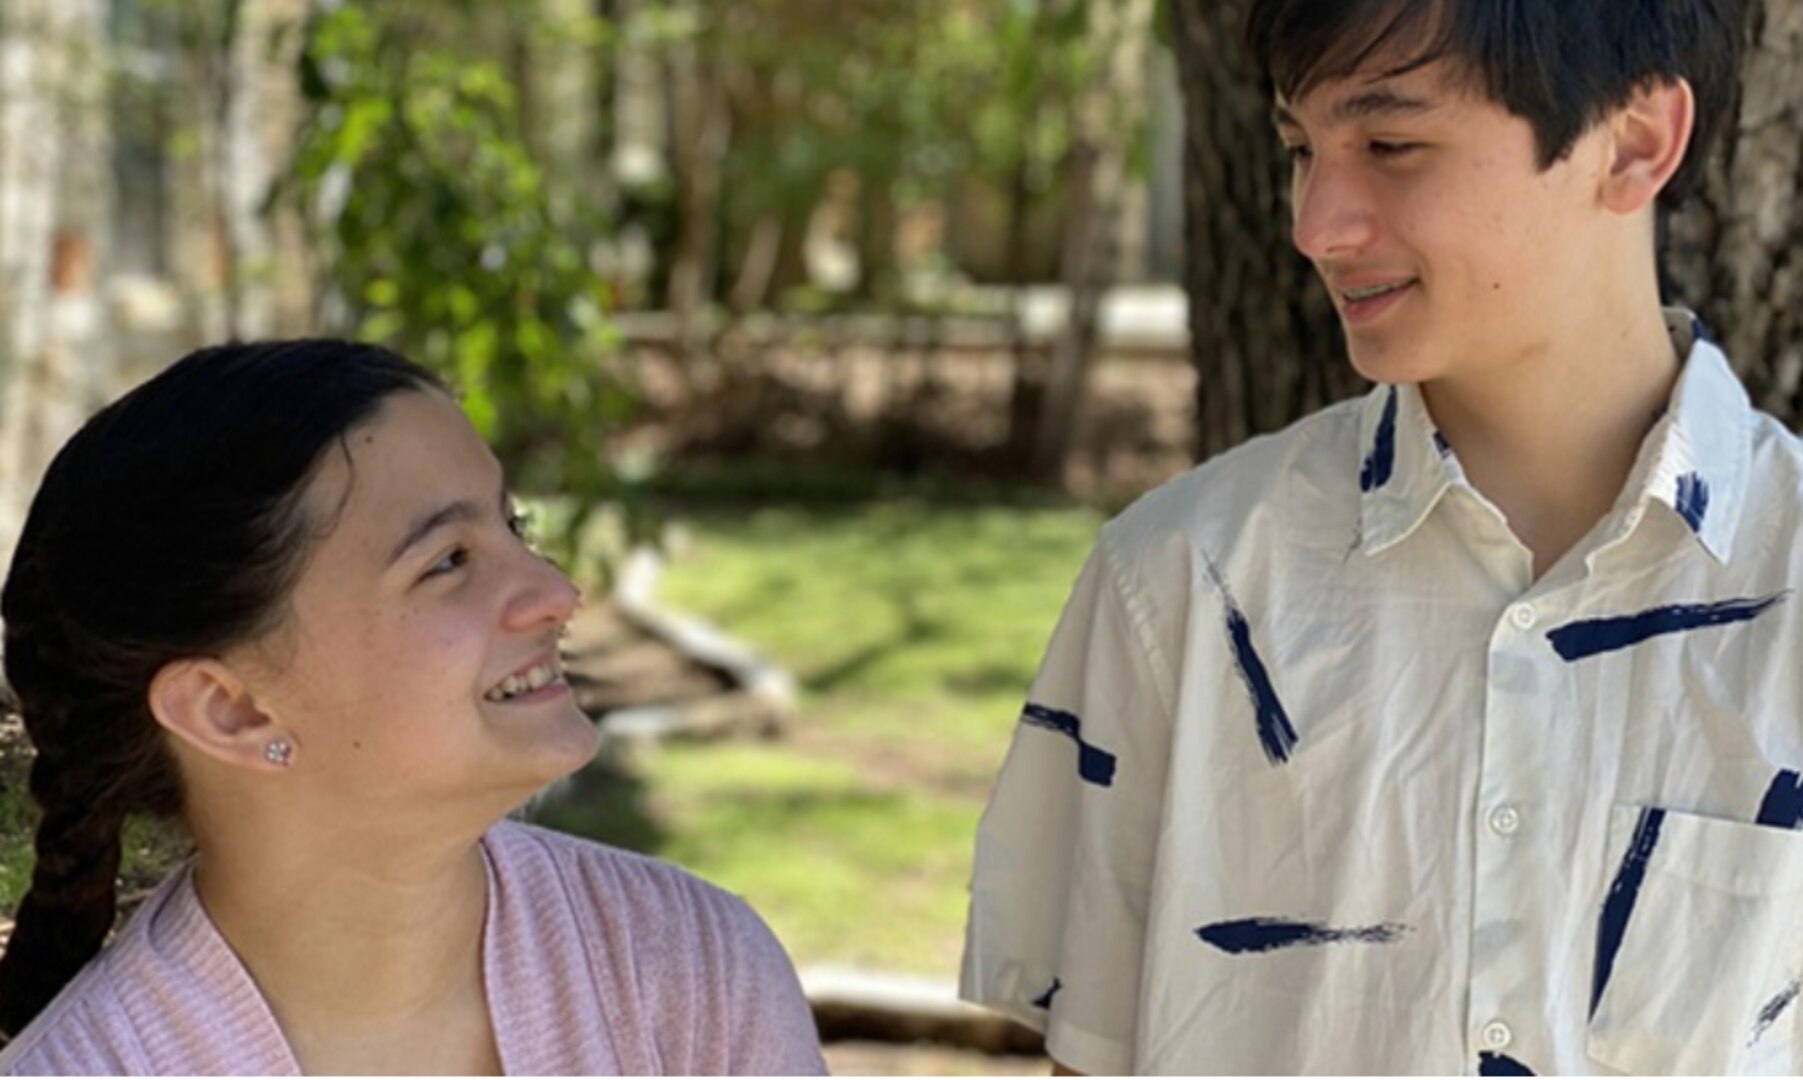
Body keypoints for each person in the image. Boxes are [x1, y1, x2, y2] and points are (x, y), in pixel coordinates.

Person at [959, 0, 1795, 1074]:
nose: (1317, 223)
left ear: (1632, 144)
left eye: (1391, 145)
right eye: (1303, 148)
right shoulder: (1176, 582)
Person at [0, 340, 825, 1075]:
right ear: (230, 709)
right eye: (448, 561)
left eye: (514, 524)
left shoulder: (692, 975)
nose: (556, 592)